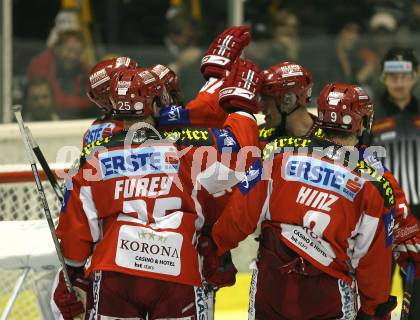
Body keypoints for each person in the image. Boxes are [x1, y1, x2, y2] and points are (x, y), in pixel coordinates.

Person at [51, 59, 263, 319]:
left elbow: (75, 235)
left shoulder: (91, 157)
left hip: (116, 276)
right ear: (152, 104)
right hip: (176, 272)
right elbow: (244, 153)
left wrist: (71, 275)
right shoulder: (187, 149)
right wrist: (242, 109)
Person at [204, 83, 398, 319]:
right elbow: (372, 259)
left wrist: (215, 250)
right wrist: (374, 309)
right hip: (326, 297)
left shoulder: (277, 154)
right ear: (363, 122)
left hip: (272, 289)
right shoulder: (373, 184)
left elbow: (240, 214)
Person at [371, 47, 420, 320]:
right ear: (383, 77)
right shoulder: (371, 117)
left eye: (405, 76)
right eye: (392, 76)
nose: (398, 83)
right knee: (375, 298)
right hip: (381, 220)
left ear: (414, 77)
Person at [27, 30, 94, 119]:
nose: (72, 56)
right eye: (69, 50)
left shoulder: (81, 66)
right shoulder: (40, 65)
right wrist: (86, 102)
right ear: (57, 48)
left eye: (78, 53)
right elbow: (52, 101)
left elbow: (96, 96)